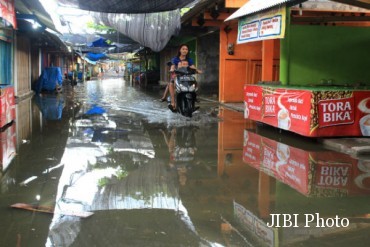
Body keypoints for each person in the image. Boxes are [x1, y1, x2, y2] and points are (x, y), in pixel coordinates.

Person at [168, 44, 202, 112]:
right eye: (183, 49)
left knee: (195, 82)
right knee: (171, 83)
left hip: (187, 76)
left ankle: (195, 98)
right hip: (177, 76)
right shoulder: (175, 59)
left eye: (186, 49)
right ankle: (173, 102)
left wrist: (197, 70)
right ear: (180, 50)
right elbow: (172, 66)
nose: (185, 50)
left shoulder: (189, 59)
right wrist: (172, 69)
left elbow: (192, 67)